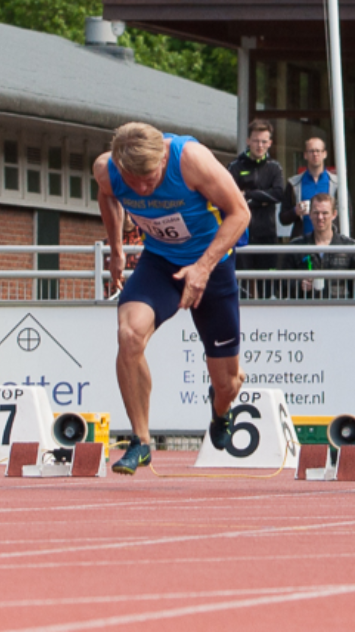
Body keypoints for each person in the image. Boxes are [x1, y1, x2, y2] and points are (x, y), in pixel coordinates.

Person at [97, 123, 250, 475]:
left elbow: (241, 213)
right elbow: (106, 195)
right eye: (132, 182)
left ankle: (221, 412)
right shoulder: (107, 169)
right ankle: (140, 441)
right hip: (160, 263)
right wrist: (117, 248)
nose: (141, 188)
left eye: (149, 179)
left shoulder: (191, 160)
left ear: (163, 157)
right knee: (128, 335)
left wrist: (203, 267)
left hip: (213, 266)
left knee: (226, 383)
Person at [228, 120, 286, 281]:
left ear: (270, 143)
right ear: (248, 141)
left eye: (264, 141)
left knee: (267, 282)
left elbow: (278, 194)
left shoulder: (274, 167)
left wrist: (248, 195)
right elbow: (230, 196)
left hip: (267, 233)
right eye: (256, 141)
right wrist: (262, 199)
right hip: (241, 233)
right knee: (242, 281)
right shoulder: (235, 167)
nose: (260, 145)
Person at [288, 193, 355, 298]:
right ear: (309, 214)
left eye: (325, 213)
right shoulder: (296, 247)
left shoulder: (350, 248)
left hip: (340, 311)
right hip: (306, 311)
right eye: (316, 213)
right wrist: (299, 285)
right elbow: (282, 285)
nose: (320, 217)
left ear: (334, 214)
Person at [281, 136, 339, 238]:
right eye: (311, 151)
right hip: (303, 244)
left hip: (330, 243)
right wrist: (295, 211)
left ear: (325, 154)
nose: (315, 154)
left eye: (318, 151)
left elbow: (347, 215)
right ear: (305, 155)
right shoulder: (294, 183)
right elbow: (283, 218)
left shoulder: (337, 183)